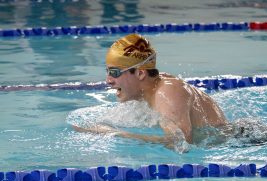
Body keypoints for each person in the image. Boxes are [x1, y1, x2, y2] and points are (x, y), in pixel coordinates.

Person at [74, 33, 229, 151]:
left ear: (140, 73)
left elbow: (182, 144)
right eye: (107, 71)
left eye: (114, 72)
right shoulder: (147, 91)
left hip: (236, 143)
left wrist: (117, 135)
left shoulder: (167, 93)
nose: (108, 80)